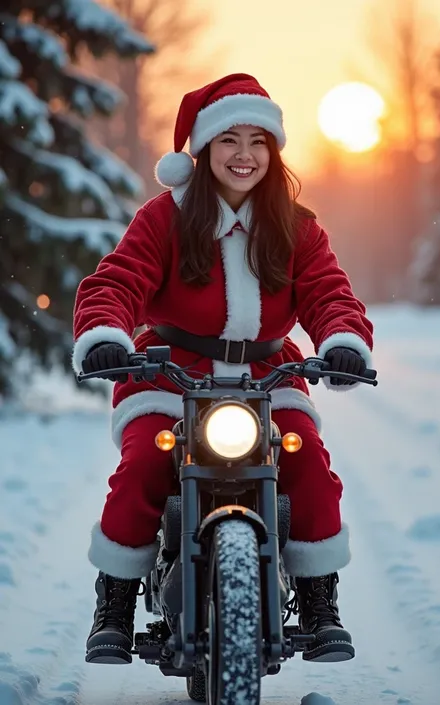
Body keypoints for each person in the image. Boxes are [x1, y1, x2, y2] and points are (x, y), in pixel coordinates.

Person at [72, 73, 374, 666]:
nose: (244, 155)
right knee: (144, 464)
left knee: (306, 457)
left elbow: (328, 292)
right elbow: (118, 281)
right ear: (204, 149)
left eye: (258, 141)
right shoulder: (165, 217)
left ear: (274, 152)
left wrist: (341, 339)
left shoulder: (296, 225)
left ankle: (318, 599)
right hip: (168, 372)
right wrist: (106, 334)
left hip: (268, 375)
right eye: (229, 140)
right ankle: (115, 605)